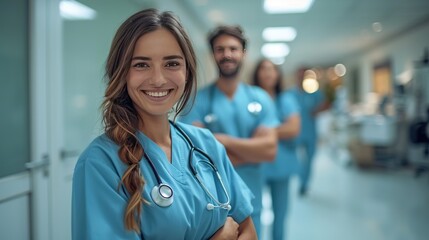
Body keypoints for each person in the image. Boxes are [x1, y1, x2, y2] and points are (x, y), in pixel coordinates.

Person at [71, 8, 257, 240]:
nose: (158, 79)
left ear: (187, 72)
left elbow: (248, 229)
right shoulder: (101, 163)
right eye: (141, 64)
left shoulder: (205, 144)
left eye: (171, 64)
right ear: (121, 72)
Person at [179, 25, 279, 238]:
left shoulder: (260, 98)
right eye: (220, 49)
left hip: (252, 202)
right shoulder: (196, 100)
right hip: (210, 206)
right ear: (213, 54)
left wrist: (220, 140)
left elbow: (269, 150)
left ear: (243, 53)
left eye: (233, 49)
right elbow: (194, 156)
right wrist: (250, 152)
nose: (227, 54)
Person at [252, 58, 301, 240]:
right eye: (263, 69)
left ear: (278, 74)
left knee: (280, 214)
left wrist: (267, 130)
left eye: (272, 69)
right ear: (256, 74)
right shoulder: (250, 97)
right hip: (254, 165)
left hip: (281, 165)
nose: (267, 73)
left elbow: (294, 128)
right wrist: (279, 129)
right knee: (254, 213)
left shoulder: (286, 99)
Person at [290, 67, 330, 196]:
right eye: (299, 75)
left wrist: (317, 110)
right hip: (295, 133)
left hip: (310, 132)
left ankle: (304, 184)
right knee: (297, 160)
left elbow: (326, 104)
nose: (301, 78)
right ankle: (299, 180)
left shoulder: (314, 93)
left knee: (308, 160)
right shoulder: (290, 94)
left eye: (303, 75)